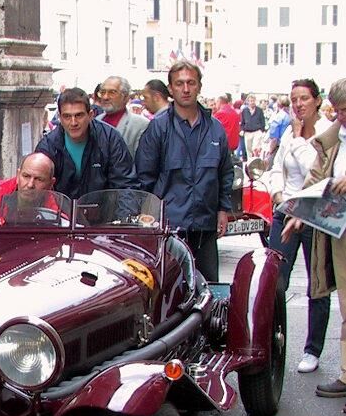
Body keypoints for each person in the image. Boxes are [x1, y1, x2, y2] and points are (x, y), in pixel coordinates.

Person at [134, 61, 233, 282]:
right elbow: (144, 178)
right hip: (170, 230)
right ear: (170, 89)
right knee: (172, 293)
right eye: (179, 84)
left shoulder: (215, 128)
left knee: (210, 290)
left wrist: (223, 210)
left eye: (191, 83)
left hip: (205, 228)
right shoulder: (158, 128)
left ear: (199, 86)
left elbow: (225, 172)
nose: (186, 89)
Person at [282, 77, 346, 399]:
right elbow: (314, 177)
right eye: (340, 111)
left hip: (331, 224)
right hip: (329, 225)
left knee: (325, 291)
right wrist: (295, 211)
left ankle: (325, 359)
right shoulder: (332, 137)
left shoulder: (324, 133)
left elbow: (315, 169)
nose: (342, 117)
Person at [267, 79, 333, 374]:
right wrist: (278, 194)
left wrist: (295, 137)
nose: (298, 104)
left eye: (304, 98)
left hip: (315, 214)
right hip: (286, 210)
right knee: (274, 279)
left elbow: (314, 172)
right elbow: (276, 168)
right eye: (294, 99)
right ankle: (269, 340)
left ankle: (312, 349)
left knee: (317, 284)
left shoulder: (326, 132)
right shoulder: (289, 134)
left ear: (317, 101)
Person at [35, 87, 137, 199]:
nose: (73, 122)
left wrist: (122, 216)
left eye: (79, 115)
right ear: (59, 117)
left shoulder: (110, 139)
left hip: (104, 213)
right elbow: (38, 187)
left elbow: (126, 186)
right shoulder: (48, 145)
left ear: (90, 115)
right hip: (62, 213)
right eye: (67, 116)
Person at [97, 76, 150, 157]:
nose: (105, 97)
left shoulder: (141, 125)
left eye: (112, 92)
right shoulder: (96, 121)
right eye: (103, 92)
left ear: (125, 97)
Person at [264, 96, 291, 163]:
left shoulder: (278, 117)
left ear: (278, 105)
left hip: (278, 148)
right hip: (289, 147)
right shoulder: (291, 116)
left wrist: (270, 151)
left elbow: (274, 139)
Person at [241, 94, 266, 162]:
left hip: (257, 131)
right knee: (248, 150)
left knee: (255, 148)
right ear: (248, 102)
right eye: (250, 101)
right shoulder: (244, 110)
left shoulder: (259, 110)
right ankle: (250, 163)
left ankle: (255, 162)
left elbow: (262, 121)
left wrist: (262, 130)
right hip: (247, 132)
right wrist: (242, 130)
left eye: (253, 101)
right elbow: (242, 121)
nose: (252, 102)